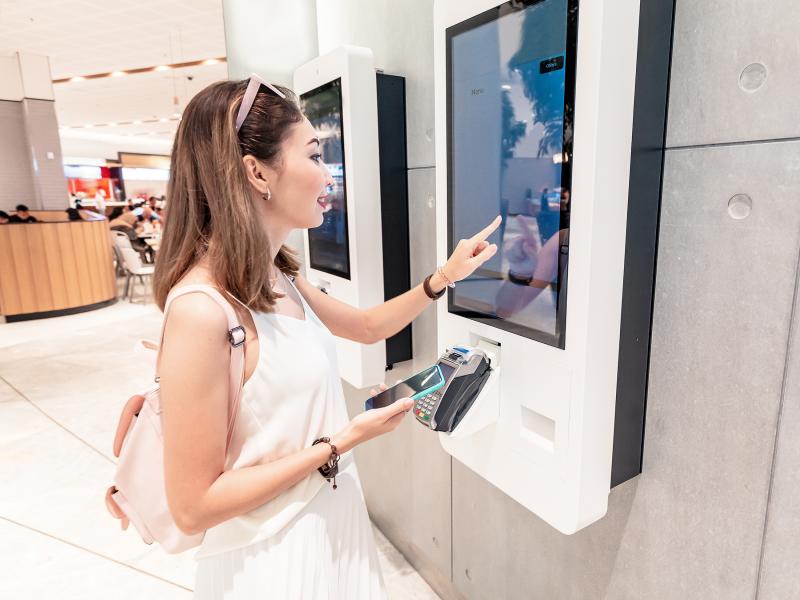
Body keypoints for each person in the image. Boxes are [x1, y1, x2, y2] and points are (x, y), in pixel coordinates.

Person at [134, 76, 499, 599]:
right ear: (257, 172)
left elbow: (368, 326)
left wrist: (444, 276)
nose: (328, 176)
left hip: (332, 519)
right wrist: (341, 441)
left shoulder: (278, 275)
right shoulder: (201, 310)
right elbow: (194, 506)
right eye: (313, 156)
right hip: (271, 556)